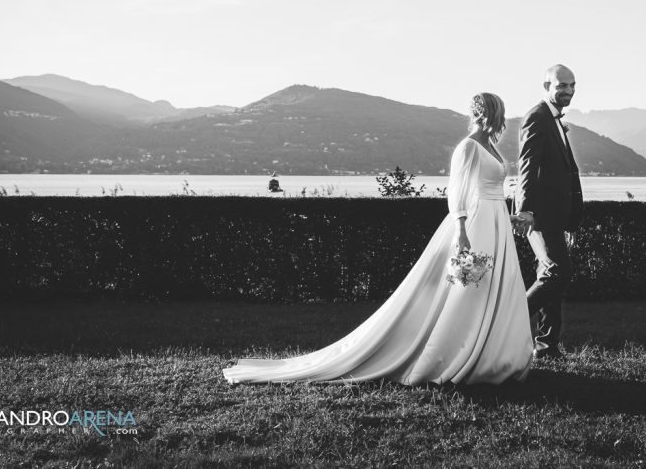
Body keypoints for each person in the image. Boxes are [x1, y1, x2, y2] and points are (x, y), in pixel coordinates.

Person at [222, 93, 534, 385]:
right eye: (495, 113)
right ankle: (459, 354)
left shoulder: (491, 148)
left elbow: (493, 192)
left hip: (496, 225)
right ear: (483, 114)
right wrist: (462, 231)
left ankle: (493, 355)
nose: (499, 119)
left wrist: (509, 218)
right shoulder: (468, 147)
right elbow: (458, 192)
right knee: (469, 292)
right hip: (476, 225)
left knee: (496, 288)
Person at [513, 64, 584, 360]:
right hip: (540, 215)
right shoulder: (538, 117)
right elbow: (527, 165)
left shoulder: (554, 119)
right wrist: (525, 210)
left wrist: (571, 220)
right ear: (546, 86)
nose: (568, 90)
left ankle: (546, 345)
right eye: (561, 85)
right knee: (559, 273)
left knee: (549, 275)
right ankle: (509, 321)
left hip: (554, 215)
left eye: (572, 85)